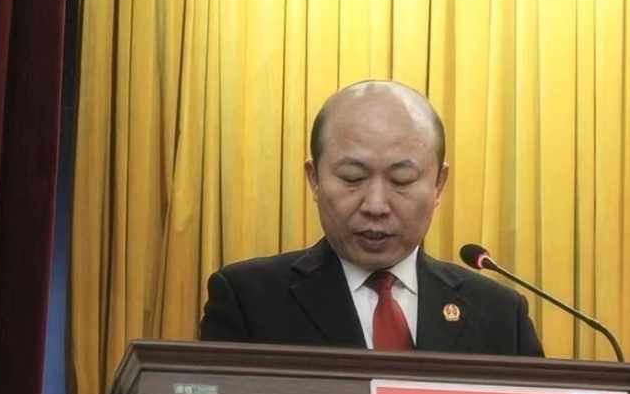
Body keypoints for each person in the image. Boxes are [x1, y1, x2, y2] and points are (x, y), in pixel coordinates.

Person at [199, 80, 544, 356]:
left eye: (401, 180)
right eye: (352, 177)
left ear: (439, 184)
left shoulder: (500, 314)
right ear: (314, 179)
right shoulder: (248, 301)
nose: (376, 205)